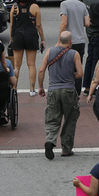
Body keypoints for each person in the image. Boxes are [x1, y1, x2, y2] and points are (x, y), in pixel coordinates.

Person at [38, 30, 83, 159]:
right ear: (70, 42)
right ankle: (66, 148)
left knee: (52, 118)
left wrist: (41, 87)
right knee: (70, 118)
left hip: (53, 90)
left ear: (59, 40)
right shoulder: (74, 54)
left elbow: (41, 71)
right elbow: (80, 73)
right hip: (68, 90)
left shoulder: (50, 52)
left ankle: (50, 140)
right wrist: (70, 76)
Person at [10, 0, 46, 96]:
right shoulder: (34, 7)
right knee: (31, 64)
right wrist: (43, 39)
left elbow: (12, 25)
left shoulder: (15, 7)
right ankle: (31, 89)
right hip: (31, 36)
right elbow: (38, 25)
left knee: (17, 65)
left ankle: (14, 88)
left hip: (18, 36)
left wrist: (12, 38)